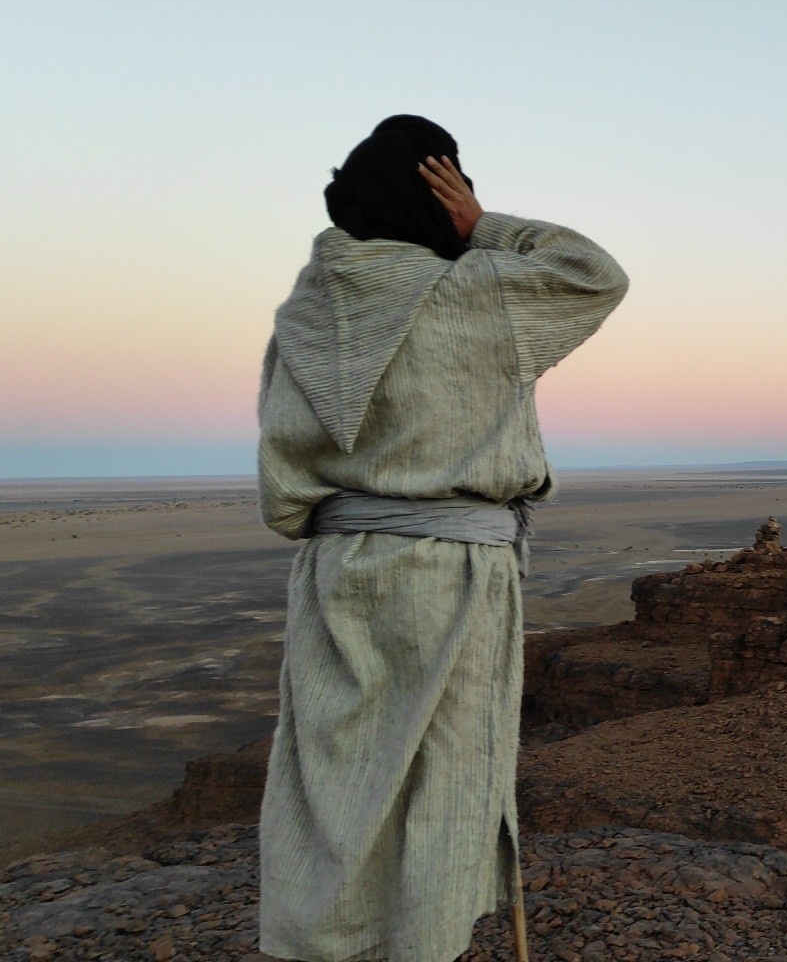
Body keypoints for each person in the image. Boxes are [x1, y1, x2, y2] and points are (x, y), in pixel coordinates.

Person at [255, 115, 628, 961]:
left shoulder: (303, 317)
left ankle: (323, 943)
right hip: (452, 571)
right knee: (444, 777)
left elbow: (283, 482)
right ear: (441, 190)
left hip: (337, 569)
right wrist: (484, 226)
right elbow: (594, 275)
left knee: (334, 777)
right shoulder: (474, 290)